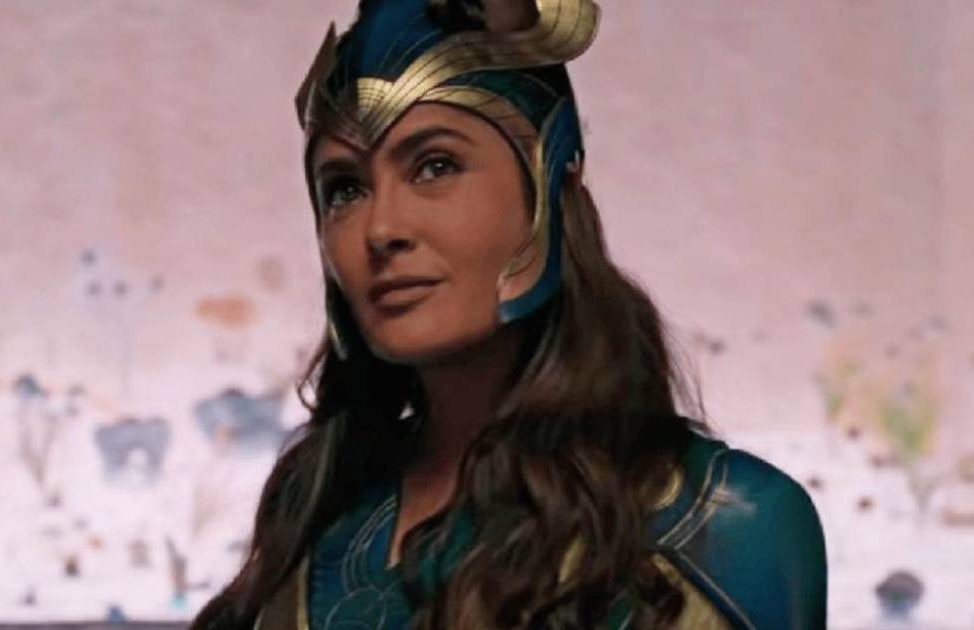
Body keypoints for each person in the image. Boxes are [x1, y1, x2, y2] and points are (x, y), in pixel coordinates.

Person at [193, 0, 827, 628]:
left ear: (553, 188)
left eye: (435, 166)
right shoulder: (318, 518)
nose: (381, 228)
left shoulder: (723, 528)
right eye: (345, 188)